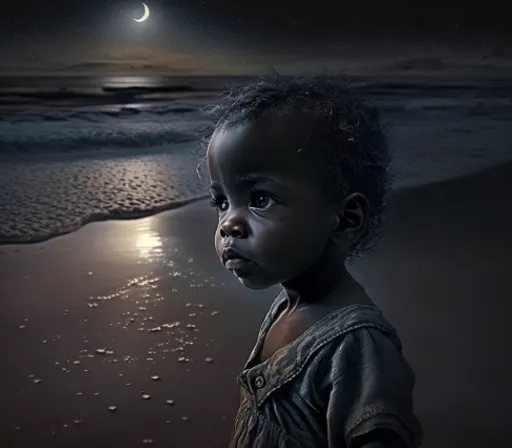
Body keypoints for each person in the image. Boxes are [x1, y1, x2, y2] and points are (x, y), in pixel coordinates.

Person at [202, 72, 422, 448]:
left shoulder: (358, 347)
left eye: (259, 199)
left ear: (346, 218)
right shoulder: (289, 303)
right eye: (222, 201)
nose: (228, 224)